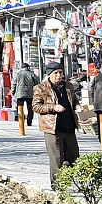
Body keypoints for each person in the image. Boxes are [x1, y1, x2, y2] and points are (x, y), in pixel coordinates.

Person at [32, 61, 81, 189]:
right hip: (52, 129)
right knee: (56, 159)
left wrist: (78, 107)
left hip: (69, 127)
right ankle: (57, 186)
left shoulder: (68, 86)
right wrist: (53, 107)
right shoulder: (41, 88)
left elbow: (74, 100)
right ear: (49, 74)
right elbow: (36, 106)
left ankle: (70, 182)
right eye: (56, 73)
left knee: (73, 156)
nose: (59, 75)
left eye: (60, 72)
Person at [13, 62, 37, 128]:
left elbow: (14, 83)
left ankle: (21, 120)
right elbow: (37, 83)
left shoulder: (18, 74)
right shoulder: (32, 74)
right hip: (30, 94)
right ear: (28, 67)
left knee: (20, 107)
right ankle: (29, 121)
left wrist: (13, 91)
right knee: (30, 108)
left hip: (20, 94)